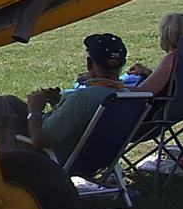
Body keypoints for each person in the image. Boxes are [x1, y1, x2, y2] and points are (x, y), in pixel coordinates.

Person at [24, 33, 129, 166]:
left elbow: (39, 140)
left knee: (0, 104)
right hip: (98, 159)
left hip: (54, 159)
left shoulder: (83, 98)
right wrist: (60, 101)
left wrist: (34, 109)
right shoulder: (126, 97)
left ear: (89, 63)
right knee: (11, 103)